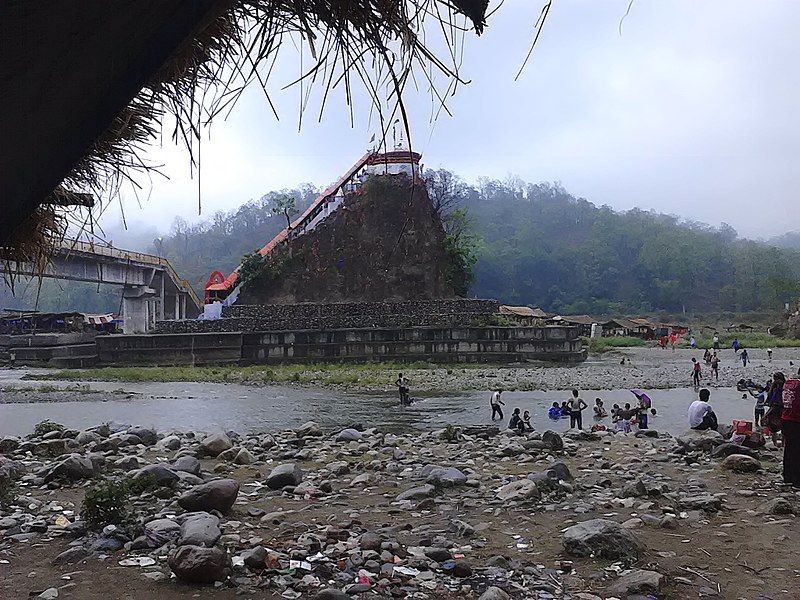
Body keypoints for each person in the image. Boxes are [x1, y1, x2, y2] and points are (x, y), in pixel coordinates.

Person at [781, 375, 800, 487]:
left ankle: (788, 476)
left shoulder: (788, 383)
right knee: (797, 451)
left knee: (789, 449)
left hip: (786, 418)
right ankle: (796, 479)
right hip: (796, 420)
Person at [764, 372, 785, 448]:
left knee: (783, 427)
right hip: (775, 408)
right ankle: (775, 444)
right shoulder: (774, 387)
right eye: (775, 379)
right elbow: (771, 398)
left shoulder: (784, 387)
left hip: (780, 408)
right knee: (773, 427)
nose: (776, 380)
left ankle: (782, 444)